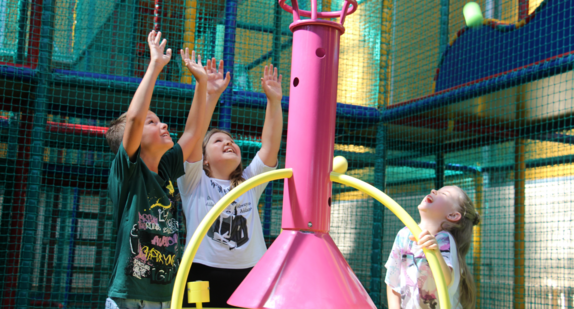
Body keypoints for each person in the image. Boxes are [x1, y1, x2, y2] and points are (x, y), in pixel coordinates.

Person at [104, 30, 209, 309]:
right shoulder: (129, 173)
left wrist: (202, 85)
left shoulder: (166, 169)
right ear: (136, 137)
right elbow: (135, 118)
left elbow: (194, 133)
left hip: (164, 297)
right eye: (153, 123)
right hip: (129, 296)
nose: (162, 125)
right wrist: (154, 66)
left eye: (159, 120)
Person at [177, 64, 283, 307]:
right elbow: (193, 136)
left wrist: (274, 101)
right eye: (218, 141)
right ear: (203, 158)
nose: (228, 143)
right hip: (202, 273)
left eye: (231, 141)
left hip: (250, 273)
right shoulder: (193, 180)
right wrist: (210, 96)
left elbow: (269, 147)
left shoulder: (248, 183)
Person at [386, 186, 481, 309]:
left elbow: (446, 280)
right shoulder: (403, 235)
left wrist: (435, 252)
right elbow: (392, 281)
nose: (433, 191)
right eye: (437, 190)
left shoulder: (444, 239)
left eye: (444, 194)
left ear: (452, 215)